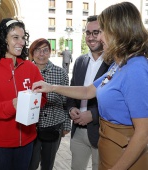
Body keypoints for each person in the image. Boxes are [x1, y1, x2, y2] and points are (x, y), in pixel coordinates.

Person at [32, 2, 148, 170]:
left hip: (124, 156)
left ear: (119, 31)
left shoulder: (136, 68)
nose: (99, 38)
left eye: (102, 31)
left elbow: (143, 133)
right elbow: (87, 91)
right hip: (109, 149)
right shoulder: (119, 64)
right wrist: (50, 87)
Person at [0, 18, 47, 170]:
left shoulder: (31, 68)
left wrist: (34, 101)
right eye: (15, 37)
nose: (21, 42)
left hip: (27, 140)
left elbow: (42, 98)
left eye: (23, 38)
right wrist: (12, 105)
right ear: (3, 39)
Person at [67, 15, 109, 170]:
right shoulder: (79, 61)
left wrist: (93, 115)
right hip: (77, 131)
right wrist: (71, 109)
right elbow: (72, 92)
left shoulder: (113, 64)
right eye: (88, 33)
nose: (91, 38)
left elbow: (118, 101)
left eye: (96, 32)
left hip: (101, 132)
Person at [28, 38, 71, 170]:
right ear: (32, 53)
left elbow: (66, 101)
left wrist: (66, 125)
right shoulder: (24, 71)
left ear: (50, 52)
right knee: (31, 164)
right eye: (37, 50)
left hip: (53, 126)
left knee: (48, 164)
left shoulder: (61, 73)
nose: (41, 54)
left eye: (45, 50)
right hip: (30, 128)